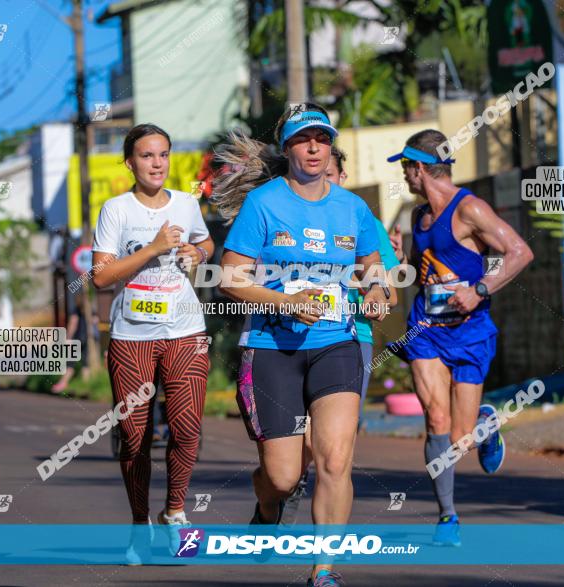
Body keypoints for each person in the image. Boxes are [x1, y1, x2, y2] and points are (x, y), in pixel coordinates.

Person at [215, 103, 393, 587]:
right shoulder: (264, 204)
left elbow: (373, 269)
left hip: (336, 342)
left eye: (321, 138)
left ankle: (324, 570)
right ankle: (268, 507)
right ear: (288, 148)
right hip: (273, 348)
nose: (313, 147)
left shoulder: (352, 207)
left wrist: (375, 292)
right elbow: (229, 278)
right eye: (302, 139)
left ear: (330, 146)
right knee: (283, 477)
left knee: (335, 458)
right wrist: (284, 301)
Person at [386, 130, 534, 546]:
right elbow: (424, 271)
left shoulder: (469, 208)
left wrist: (480, 290)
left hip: (469, 334)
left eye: (405, 167)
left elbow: (520, 252)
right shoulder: (419, 217)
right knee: (435, 419)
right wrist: (401, 258)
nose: (404, 175)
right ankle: (447, 517)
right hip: (427, 331)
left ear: (419, 168)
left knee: (460, 440)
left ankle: (485, 425)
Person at [91, 123, 214, 564]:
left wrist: (196, 255)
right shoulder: (115, 210)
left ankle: (175, 508)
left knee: (187, 427)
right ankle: (139, 521)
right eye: (146, 156)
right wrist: (154, 247)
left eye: (162, 154)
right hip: (131, 336)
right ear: (130, 162)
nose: (156, 163)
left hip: (185, 331)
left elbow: (206, 242)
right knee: (134, 435)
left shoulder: (185, 202)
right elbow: (101, 276)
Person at [279, 146, 401, 525]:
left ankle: (327, 550)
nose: (323, 183)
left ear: (342, 179)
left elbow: (390, 290)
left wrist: (375, 295)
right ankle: (288, 486)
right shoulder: (288, 215)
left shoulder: (363, 220)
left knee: (331, 446)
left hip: (349, 337)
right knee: (295, 451)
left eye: (330, 176)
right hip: (289, 337)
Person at [51, 292, 87, 394]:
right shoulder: (89, 311)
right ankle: (85, 384)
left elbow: (73, 324)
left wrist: (68, 338)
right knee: (85, 363)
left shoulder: (75, 310)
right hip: (87, 338)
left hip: (77, 338)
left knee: (70, 362)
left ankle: (63, 383)